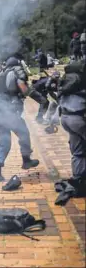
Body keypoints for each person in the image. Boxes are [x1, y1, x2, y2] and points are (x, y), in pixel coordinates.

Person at [0, 55, 45, 182]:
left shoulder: (0, 75)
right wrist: (39, 98)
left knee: (4, 143)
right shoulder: (16, 71)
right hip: (9, 112)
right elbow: (23, 87)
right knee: (24, 133)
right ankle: (26, 160)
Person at [55, 61, 86, 205]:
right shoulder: (81, 82)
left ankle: (78, 181)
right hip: (78, 119)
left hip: (65, 119)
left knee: (78, 152)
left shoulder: (65, 83)